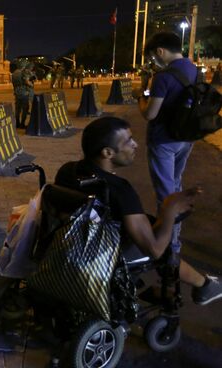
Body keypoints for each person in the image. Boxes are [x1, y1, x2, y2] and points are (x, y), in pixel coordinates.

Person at [55, 117, 221, 305]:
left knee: (148, 224)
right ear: (108, 152)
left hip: (70, 242)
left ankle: (203, 284)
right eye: (128, 141)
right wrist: (170, 209)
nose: (135, 144)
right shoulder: (119, 189)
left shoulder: (67, 171)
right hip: (100, 254)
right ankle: (204, 285)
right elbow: (154, 250)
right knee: (162, 247)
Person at [136, 32, 198, 265]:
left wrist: (140, 99)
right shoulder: (193, 70)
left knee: (166, 194)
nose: (154, 61)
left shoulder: (162, 77)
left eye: (153, 56)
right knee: (175, 183)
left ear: (160, 51)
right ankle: (176, 236)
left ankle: (168, 249)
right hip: (185, 138)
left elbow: (150, 113)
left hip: (163, 141)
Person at [12, 60, 34, 128]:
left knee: (17, 109)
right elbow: (27, 82)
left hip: (17, 92)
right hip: (24, 93)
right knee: (25, 109)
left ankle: (17, 123)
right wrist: (31, 85)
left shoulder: (14, 73)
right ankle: (22, 124)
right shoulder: (23, 72)